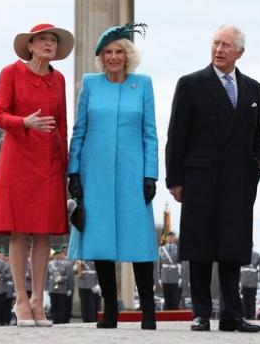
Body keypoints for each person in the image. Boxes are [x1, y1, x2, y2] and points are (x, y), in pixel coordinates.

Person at [166, 24, 260, 333]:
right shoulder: (191, 84)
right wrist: (175, 179)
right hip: (200, 178)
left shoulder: (253, 88)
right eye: (215, 44)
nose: (218, 50)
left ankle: (232, 315)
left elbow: (257, 134)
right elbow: (176, 135)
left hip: (238, 180)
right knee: (200, 248)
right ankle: (200, 312)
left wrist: (258, 164)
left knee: (233, 249)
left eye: (225, 45)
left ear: (240, 52)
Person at [67, 24, 159, 328]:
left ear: (128, 56)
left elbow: (150, 134)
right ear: (101, 57)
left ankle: (148, 310)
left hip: (133, 173)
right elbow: (79, 130)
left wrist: (151, 174)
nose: (114, 57)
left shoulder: (143, 84)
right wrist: (74, 171)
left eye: (120, 51)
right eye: (108, 52)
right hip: (97, 174)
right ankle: (110, 311)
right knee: (101, 241)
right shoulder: (90, 84)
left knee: (139, 241)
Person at [0, 22, 73, 328]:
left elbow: (62, 123)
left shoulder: (59, 79)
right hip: (19, 158)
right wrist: (24, 122)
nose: (48, 44)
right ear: (30, 45)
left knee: (44, 231)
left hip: (49, 162)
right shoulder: (10, 73)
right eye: (43, 40)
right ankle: (21, 300)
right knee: (19, 230)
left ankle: (39, 300)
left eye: (53, 40)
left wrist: (67, 166)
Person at [47, 249, 74, 324]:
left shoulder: (67, 264)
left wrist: (69, 289)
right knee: (53, 305)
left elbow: (69, 277)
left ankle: (61, 321)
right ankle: (54, 319)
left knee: (62, 306)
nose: (57, 256)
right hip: (52, 287)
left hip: (63, 288)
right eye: (56, 254)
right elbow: (47, 276)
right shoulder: (50, 264)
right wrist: (45, 289)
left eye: (59, 254)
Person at [158, 232, 184, 310]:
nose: (170, 238)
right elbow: (159, 265)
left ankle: (175, 315)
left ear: (174, 238)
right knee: (166, 297)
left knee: (175, 297)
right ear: (166, 238)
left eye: (172, 237)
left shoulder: (178, 249)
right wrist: (159, 277)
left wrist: (181, 277)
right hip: (165, 276)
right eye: (169, 237)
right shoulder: (162, 249)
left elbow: (181, 264)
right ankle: (167, 314)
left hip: (175, 276)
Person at [240, 248, 260, 320]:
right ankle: (245, 315)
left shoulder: (257, 255)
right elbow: (238, 267)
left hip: (253, 281)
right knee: (245, 299)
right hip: (244, 280)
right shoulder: (242, 254)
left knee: (252, 299)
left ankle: (252, 315)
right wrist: (239, 280)